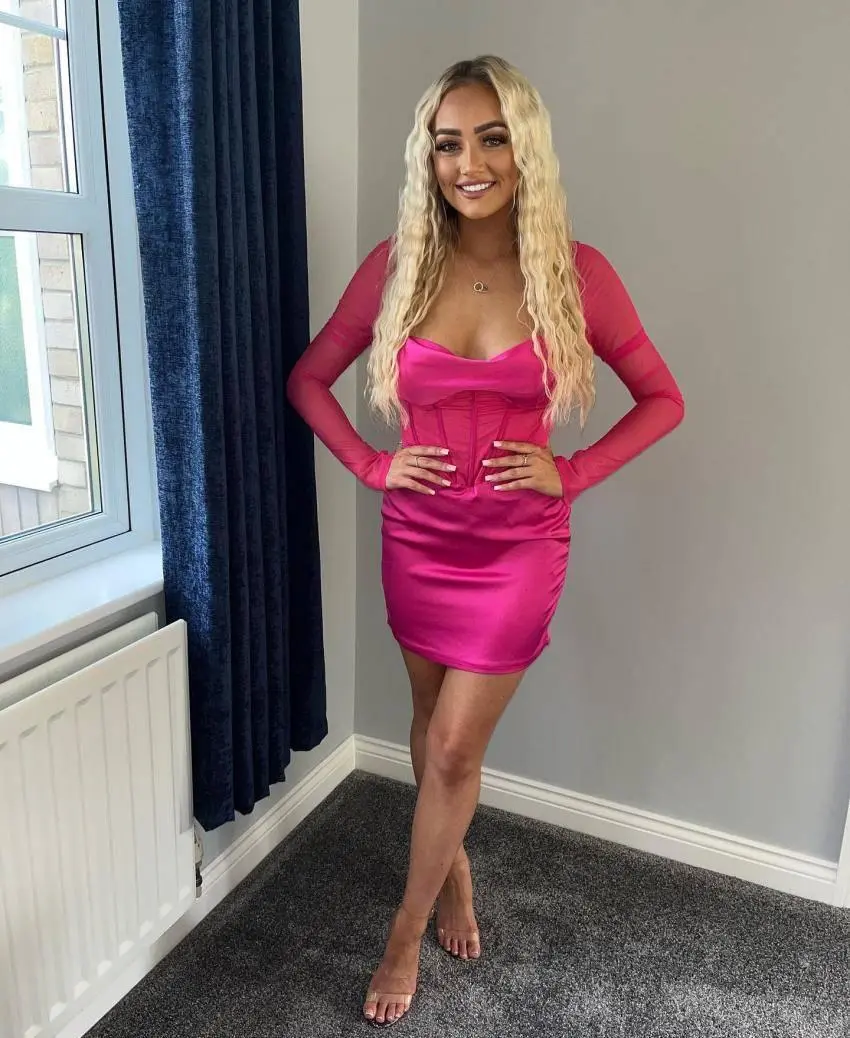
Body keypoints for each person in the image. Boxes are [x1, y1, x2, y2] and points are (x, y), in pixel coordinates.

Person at [287, 55, 684, 1027]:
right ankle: (453, 868)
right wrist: (373, 466)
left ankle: (403, 932)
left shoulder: (576, 274)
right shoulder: (396, 267)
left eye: (491, 138)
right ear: (428, 158)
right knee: (430, 727)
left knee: (456, 746)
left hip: (515, 550)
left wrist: (572, 472)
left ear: (525, 147)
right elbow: (308, 379)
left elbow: (663, 400)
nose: (469, 163)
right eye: (448, 143)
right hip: (417, 539)